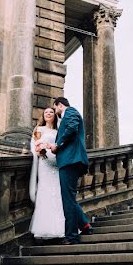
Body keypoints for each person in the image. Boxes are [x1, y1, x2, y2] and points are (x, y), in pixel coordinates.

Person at [48, 97, 93, 244]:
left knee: (67, 199)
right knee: (70, 198)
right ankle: (85, 226)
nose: (56, 112)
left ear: (60, 105)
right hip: (70, 160)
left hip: (70, 161)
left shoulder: (70, 111)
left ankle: (72, 236)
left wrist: (57, 145)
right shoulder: (68, 114)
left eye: (55, 109)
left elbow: (72, 128)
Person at [27, 107, 65, 240]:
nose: (49, 114)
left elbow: (61, 145)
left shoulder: (58, 131)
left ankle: (59, 227)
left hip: (56, 164)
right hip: (44, 163)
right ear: (43, 115)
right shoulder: (39, 130)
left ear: (55, 115)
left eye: (51, 112)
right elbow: (35, 145)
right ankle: (43, 228)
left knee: (57, 194)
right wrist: (39, 150)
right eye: (46, 112)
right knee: (45, 192)